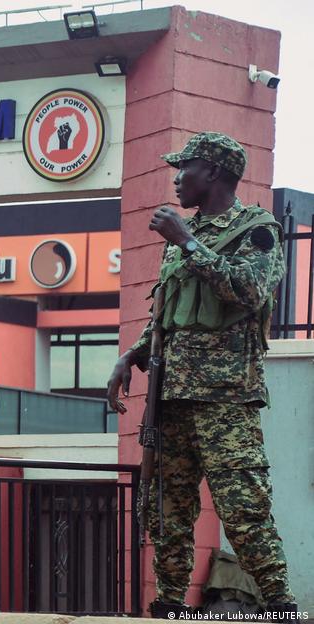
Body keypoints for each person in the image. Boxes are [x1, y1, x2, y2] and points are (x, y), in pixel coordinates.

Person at [105, 133, 298, 620]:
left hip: (225, 397)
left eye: (184, 168)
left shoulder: (257, 229)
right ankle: (170, 607)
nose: (176, 177)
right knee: (169, 511)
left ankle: (281, 607)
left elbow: (249, 290)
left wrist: (187, 242)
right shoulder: (184, 238)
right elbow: (169, 316)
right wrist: (130, 356)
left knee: (243, 508)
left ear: (212, 172)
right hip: (171, 397)